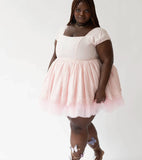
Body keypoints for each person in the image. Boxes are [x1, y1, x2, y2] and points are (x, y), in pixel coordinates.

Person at [39, 0, 124, 159]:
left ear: (92, 12)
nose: (81, 14)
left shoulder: (98, 33)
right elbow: (56, 55)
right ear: (73, 10)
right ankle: (98, 151)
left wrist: (101, 89)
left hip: (85, 86)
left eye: (86, 11)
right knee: (81, 124)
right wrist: (49, 78)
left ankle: (75, 157)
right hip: (65, 87)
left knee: (78, 126)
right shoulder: (63, 29)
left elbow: (108, 61)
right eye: (78, 9)